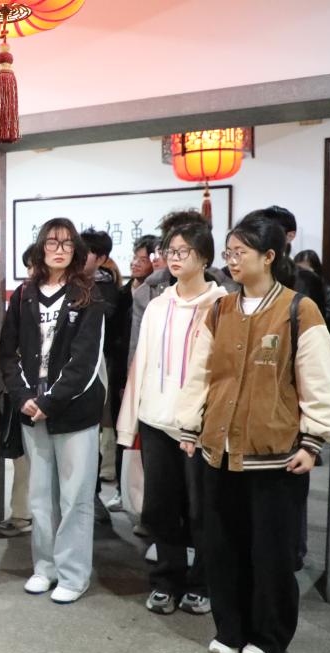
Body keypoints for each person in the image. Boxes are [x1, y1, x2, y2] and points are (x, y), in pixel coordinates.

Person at [175, 210, 330, 653]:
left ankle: (269, 637)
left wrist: (313, 440)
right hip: (219, 450)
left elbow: (320, 381)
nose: (231, 260)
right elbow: (200, 373)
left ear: (268, 256)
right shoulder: (220, 309)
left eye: (240, 252)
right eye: (228, 252)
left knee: (271, 552)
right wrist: (189, 425)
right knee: (223, 547)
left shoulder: (298, 309)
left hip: (276, 456)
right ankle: (230, 630)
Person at [117, 221, 227, 617]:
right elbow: (141, 362)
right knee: (160, 508)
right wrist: (129, 422)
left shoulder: (221, 305)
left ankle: (202, 583)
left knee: (202, 510)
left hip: (198, 427)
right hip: (156, 421)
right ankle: (166, 580)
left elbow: (222, 372)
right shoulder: (158, 304)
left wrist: (207, 423)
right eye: (170, 251)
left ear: (205, 258)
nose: (174, 258)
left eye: (184, 251)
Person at [0, 218, 105, 604]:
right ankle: (45, 568)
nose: (59, 250)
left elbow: (85, 361)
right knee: (41, 495)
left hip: (74, 412)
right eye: (51, 242)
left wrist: (50, 401)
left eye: (66, 243)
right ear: (40, 248)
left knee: (75, 497)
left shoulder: (87, 294)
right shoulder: (23, 295)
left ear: (76, 250)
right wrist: (22, 396)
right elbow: (7, 353)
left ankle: (74, 575)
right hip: (31, 409)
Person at [128, 211, 239, 366]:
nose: (176, 256)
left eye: (184, 249)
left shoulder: (227, 293)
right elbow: (138, 350)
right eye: (172, 248)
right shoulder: (149, 293)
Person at [105, 234, 159, 512]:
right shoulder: (124, 294)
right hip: (121, 370)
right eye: (135, 258)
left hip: (147, 374)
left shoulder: (157, 296)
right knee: (122, 431)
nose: (136, 263)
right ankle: (122, 490)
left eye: (143, 259)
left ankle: (146, 497)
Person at [0, 244, 38, 539]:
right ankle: (22, 514)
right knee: (21, 457)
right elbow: (8, 348)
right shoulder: (22, 296)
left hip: (55, 394)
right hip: (22, 391)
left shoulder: (76, 296)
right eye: (29, 266)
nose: (33, 271)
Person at [79, 228, 118, 523]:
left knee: (92, 434)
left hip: (99, 367)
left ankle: (91, 497)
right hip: (66, 371)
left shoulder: (107, 290)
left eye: (87, 252)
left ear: (102, 258)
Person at [294, 249, 330, 333]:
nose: (302, 276)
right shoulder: (290, 289)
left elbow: (328, 318)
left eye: (306, 272)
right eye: (299, 270)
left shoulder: (328, 292)